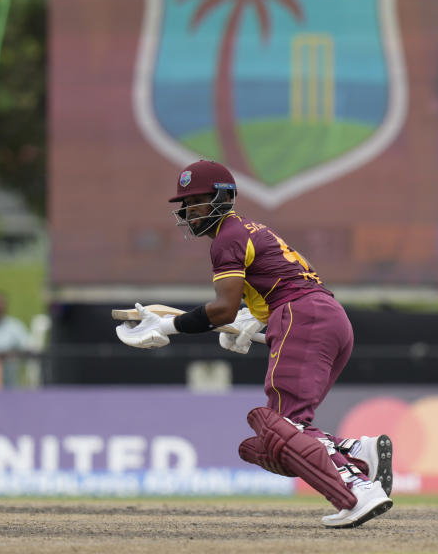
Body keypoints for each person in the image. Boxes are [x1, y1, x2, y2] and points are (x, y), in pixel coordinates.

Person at [115, 160, 393, 528]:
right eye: (185, 203)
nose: (187, 211)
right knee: (283, 432)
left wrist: (168, 327)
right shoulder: (249, 230)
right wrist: (256, 319)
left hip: (301, 316)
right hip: (328, 317)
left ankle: (357, 490)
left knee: (283, 426)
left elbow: (223, 309)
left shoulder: (227, 238)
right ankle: (357, 452)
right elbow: (269, 289)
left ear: (221, 197)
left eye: (196, 200)